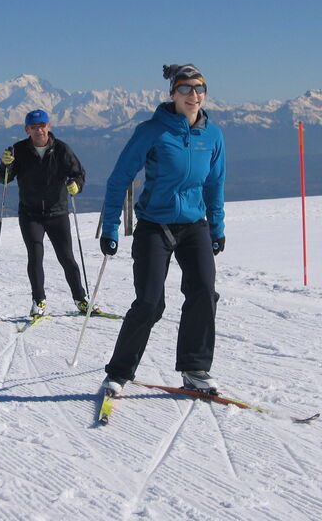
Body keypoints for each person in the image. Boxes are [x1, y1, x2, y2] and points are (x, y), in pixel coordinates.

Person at [99, 63, 226, 395]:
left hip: (194, 225)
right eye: (185, 88)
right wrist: (110, 228)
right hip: (155, 225)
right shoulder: (152, 131)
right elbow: (119, 180)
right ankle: (118, 372)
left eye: (199, 88)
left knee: (203, 292)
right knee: (151, 302)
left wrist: (217, 226)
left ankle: (195, 368)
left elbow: (215, 183)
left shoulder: (212, 135)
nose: (193, 95)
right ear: (172, 94)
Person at [0, 109, 96, 317]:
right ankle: (38, 301)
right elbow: (3, 179)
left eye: (42, 126)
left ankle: (81, 299)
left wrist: (76, 184)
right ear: (27, 129)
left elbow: (78, 173)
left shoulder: (62, 150)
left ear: (49, 127)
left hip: (57, 212)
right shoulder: (18, 151)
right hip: (30, 214)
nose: (39, 130)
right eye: (34, 127)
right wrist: (5, 165)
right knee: (35, 255)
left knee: (67, 257)